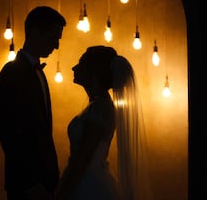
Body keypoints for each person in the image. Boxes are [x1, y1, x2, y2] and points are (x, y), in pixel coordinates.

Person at [55, 46, 152, 200]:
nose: (74, 67)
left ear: (94, 72)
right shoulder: (98, 105)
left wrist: (61, 193)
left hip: (88, 186)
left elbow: (83, 158)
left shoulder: (101, 108)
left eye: (81, 64)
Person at [0, 6, 66, 200]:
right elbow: (10, 132)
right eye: (54, 37)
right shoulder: (13, 73)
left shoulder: (38, 72)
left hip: (44, 183)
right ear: (35, 32)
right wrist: (32, 185)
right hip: (27, 186)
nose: (57, 46)